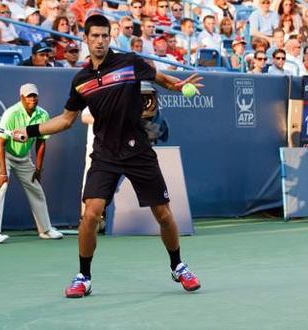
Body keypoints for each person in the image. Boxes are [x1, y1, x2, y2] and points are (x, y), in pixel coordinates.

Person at [12, 15, 203, 298]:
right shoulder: (81, 81)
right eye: (95, 36)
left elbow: (158, 77)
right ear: (85, 39)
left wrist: (175, 85)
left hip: (138, 150)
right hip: (105, 154)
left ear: (109, 37)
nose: (100, 41)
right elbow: (66, 120)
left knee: (163, 214)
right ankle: (84, 276)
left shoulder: (130, 62)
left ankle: (178, 266)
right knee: (90, 215)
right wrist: (30, 130)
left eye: (104, 36)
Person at [0, 83, 63, 243]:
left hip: (24, 158)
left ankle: (45, 230)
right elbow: (0, 143)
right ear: (22, 98)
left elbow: (41, 142)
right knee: (0, 186)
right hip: (3, 155)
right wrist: (3, 172)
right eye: (29, 96)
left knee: (36, 188)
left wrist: (38, 168)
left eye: (34, 96)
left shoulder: (42, 115)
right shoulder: (11, 114)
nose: (32, 99)